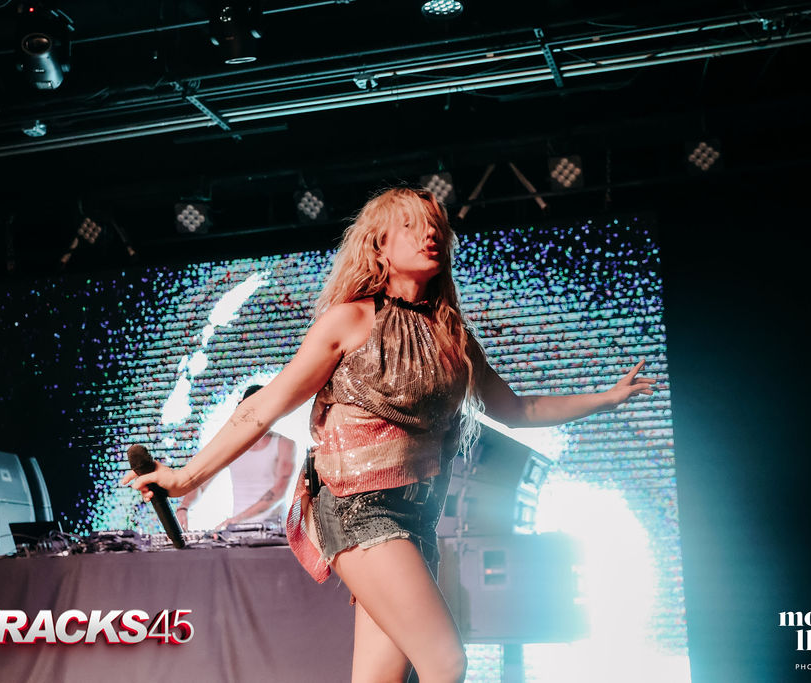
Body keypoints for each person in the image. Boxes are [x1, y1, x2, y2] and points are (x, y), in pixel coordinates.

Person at [123, 187, 654, 683]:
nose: (430, 235)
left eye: (436, 227)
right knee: (445, 661)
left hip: (416, 519)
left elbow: (517, 410)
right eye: (412, 226)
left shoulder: (452, 338)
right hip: (357, 508)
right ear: (379, 245)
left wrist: (606, 399)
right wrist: (185, 477)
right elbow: (263, 407)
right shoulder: (350, 321)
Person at [176, 384, 295, 531]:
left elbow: (278, 492)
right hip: (240, 531)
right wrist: (184, 507)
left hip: (275, 531)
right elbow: (202, 484)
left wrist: (236, 520)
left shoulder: (284, 444)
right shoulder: (231, 446)